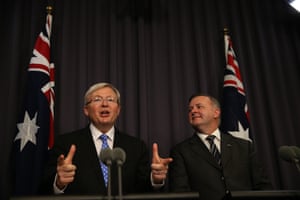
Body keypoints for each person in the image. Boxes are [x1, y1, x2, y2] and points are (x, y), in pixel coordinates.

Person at [39, 82, 172, 195]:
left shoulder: (136, 147)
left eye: (110, 100)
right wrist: (59, 182)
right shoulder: (66, 143)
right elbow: (45, 187)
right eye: (97, 99)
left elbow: (144, 190)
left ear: (118, 109)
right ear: (86, 110)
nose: (104, 104)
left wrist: (156, 179)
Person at [168, 94, 272, 200]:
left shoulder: (244, 147)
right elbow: (180, 193)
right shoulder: (180, 151)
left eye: (199, 107)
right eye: (190, 109)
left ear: (216, 112)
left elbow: (262, 186)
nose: (193, 111)